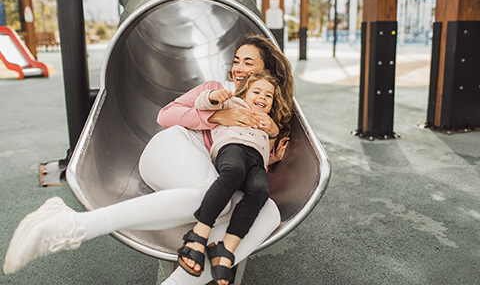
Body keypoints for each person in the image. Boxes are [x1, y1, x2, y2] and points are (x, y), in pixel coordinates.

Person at [3, 34, 294, 285]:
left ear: (265, 72)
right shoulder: (216, 90)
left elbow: (249, 159)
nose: (239, 68)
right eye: (237, 60)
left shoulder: (265, 110)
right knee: (214, 199)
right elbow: (165, 115)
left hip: (209, 169)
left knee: (267, 211)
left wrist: (269, 155)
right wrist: (218, 115)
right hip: (174, 146)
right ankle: (75, 225)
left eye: (249, 63)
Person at [177, 73, 290, 284]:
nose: (262, 98)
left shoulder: (268, 122)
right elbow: (202, 103)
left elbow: (265, 150)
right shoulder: (233, 104)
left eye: (268, 96)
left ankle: (226, 248)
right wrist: (214, 96)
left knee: (260, 191)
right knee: (234, 172)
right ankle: (198, 236)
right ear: (245, 93)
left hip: (256, 160)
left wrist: (274, 138)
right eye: (256, 92)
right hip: (231, 148)